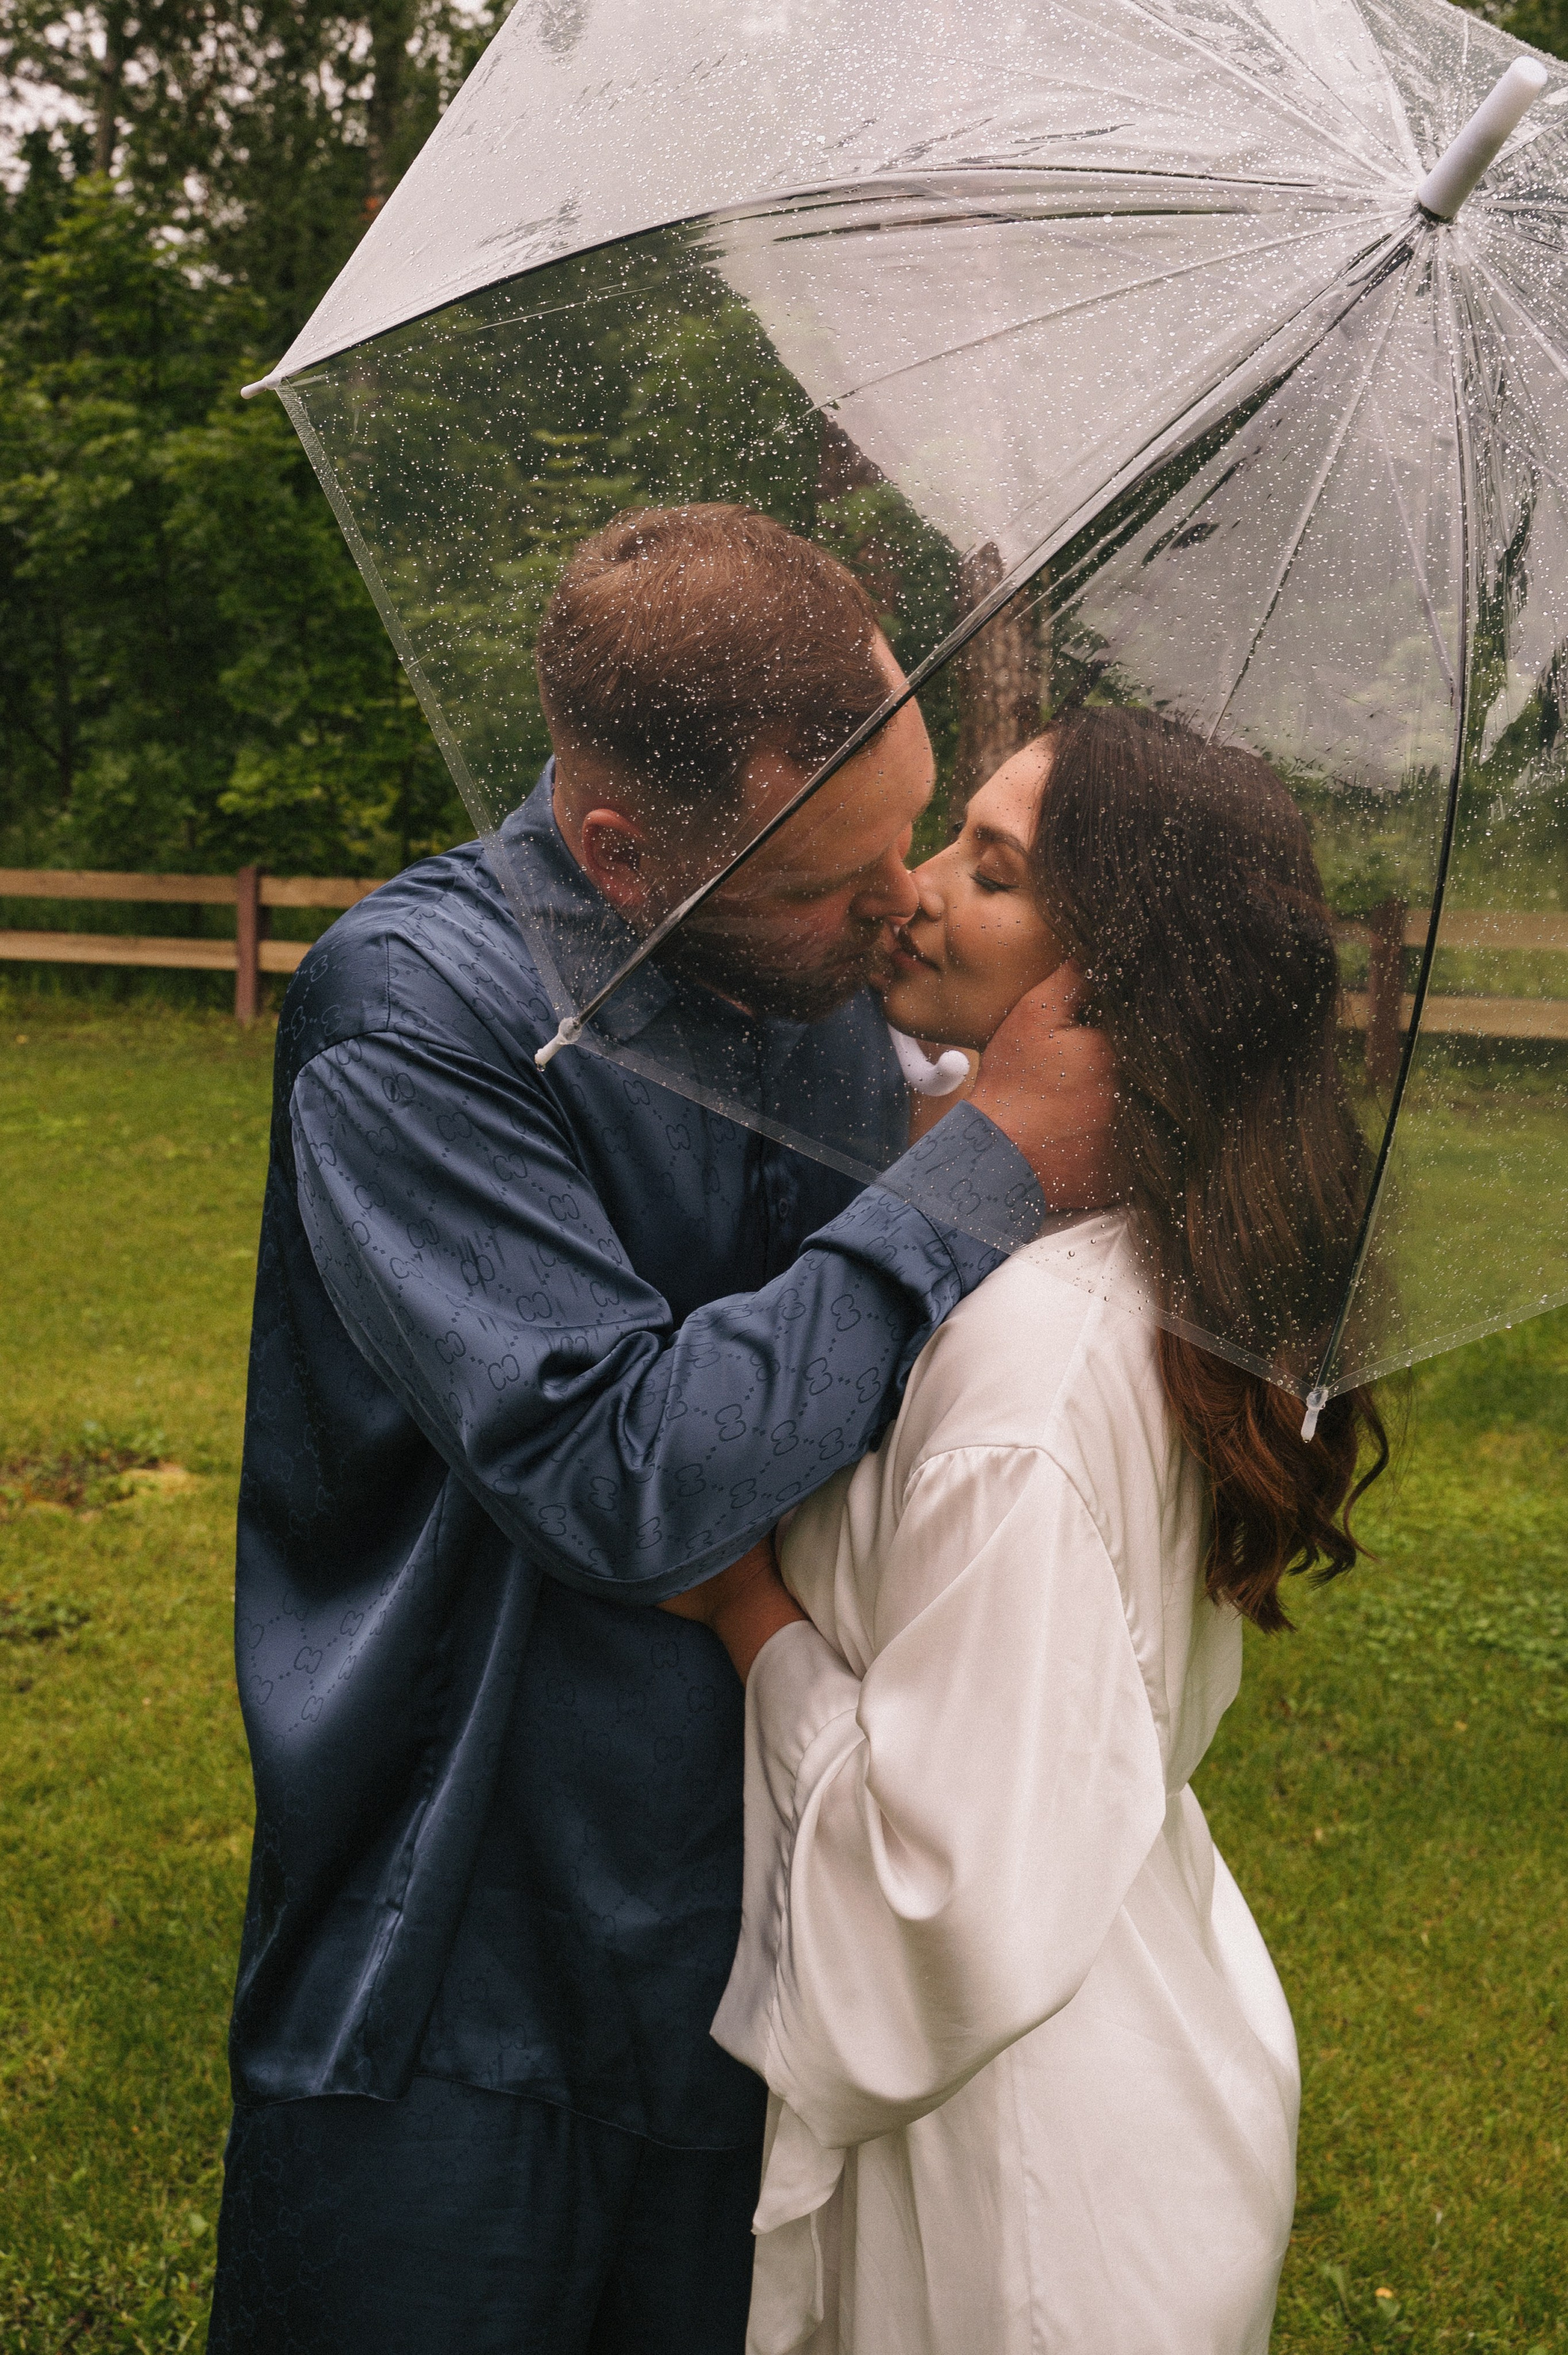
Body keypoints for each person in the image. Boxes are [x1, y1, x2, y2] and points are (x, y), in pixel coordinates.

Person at [207, 505, 1114, 2354]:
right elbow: (629, 1473)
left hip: (741, 1942)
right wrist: (978, 1176)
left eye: (909, 840)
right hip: (456, 1954)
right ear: (623, 854)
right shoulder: (414, 1014)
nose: (896, 909)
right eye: (834, 884)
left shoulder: (805, 977)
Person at [668, 706, 1391, 2355]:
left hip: (1030, 2202)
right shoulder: (1162, 1261)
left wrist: (747, 1617)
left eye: (989, 874)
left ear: (1111, 986)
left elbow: (945, 1901)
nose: (913, 891)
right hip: (1123, 2042)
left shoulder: (1037, 1360)